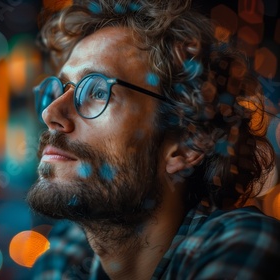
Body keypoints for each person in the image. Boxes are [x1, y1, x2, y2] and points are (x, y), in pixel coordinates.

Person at [26, 0, 280, 279]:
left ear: (186, 145)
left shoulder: (242, 242)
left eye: (98, 92)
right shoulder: (70, 249)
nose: (50, 113)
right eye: (61, 89)